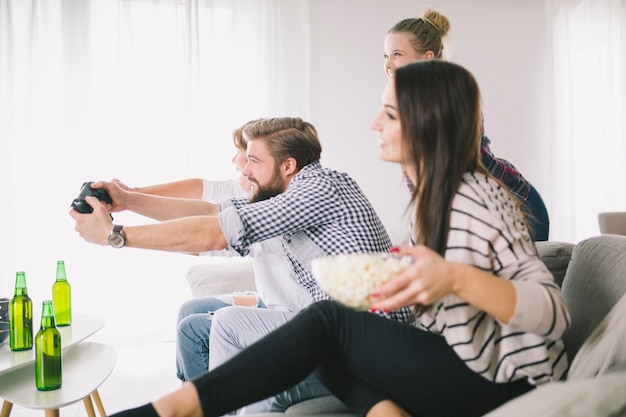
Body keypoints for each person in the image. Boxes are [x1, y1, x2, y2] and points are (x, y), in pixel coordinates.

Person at [106, 60, 570, 417]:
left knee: (327, 323)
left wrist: (452, 278)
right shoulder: (431, 197)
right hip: (459, 361)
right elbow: (213, 211)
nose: (374, 123)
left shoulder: (474, 197)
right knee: (314, 337)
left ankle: (173, 408)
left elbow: (552, 312)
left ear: (426, 122)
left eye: (388, 113)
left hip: (506, 381)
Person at [70, 117, 413, 410]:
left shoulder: (320, 188)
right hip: (333, 336)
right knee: (215, 323)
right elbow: (211, 214)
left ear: (288, 165)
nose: (244, 170)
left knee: (230, 323)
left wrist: (115, 235)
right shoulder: (284, 199)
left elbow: (216, 231)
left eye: (253, 160)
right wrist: (127, 200)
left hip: (367, 344)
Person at [383, 6, 550, 241]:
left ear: (427, 58)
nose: (388, 64)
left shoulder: (452, 97)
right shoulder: (406, 106)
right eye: (386, 55)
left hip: (518, 207)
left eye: (397, 54)